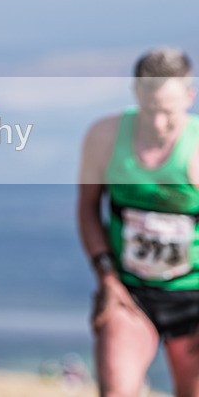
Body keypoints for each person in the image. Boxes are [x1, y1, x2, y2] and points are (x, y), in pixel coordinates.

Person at [78, 48, 199, 397]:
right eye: (150, 110)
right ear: (136, 93)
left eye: (169, 112)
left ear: (190, 98)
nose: (159, 123)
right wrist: (106, 276)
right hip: (129, 292)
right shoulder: (104, 137)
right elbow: (87, 209)